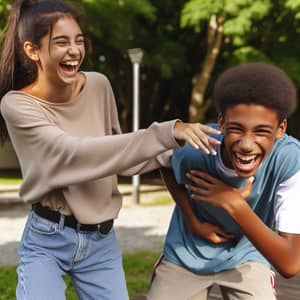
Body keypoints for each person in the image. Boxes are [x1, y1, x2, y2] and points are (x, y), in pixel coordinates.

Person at [0, 1, 221, 299]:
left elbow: (120, 160)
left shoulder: (98, 86)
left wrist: (184, 152)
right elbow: (71, 155)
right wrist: (166, 132)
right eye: (61, 42)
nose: (75, 50)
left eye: (79, 41)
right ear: (32, 50)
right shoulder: (18, 105)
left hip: (100, 241)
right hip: (47, 238)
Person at [146, 62, 300, 300]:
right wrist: (193, 220)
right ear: (221, 123)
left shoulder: (289, 160)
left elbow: (290, 264)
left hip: (248, 253)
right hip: (187, 252)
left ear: (280, 129)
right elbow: (164, 162)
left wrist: (233, 203)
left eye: (261, 131)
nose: (247, 145)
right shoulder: (196, 148)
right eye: (237, 129)